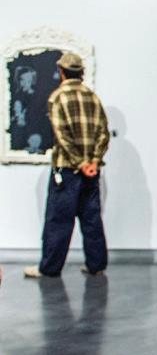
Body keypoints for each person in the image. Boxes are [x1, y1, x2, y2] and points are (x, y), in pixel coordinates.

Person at [25, 53, 110, 278]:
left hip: (67, 170)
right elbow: (103, 133)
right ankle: (96, 265)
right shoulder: (92, 97)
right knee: (91, 218)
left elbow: (62, 136)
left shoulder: (58, 97)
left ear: (62, 72)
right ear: (80, 72)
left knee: (59, 220)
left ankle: (50, 268)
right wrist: (93, 161)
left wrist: (80, 163)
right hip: (91, 171)